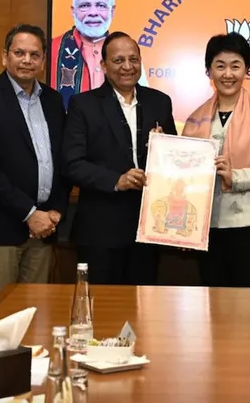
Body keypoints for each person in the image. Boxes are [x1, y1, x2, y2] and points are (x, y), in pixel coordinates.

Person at [0, 24, 70, 308]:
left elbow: (63, 160)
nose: (27, 60)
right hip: (0, 229)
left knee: (37, 317)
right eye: (19, 53)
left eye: (34, 54)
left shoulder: (53, 100)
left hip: (44, 230)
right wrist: (29, 213)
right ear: (4, 56)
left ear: (43, 60)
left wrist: (56, 211)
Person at [62, 31, 176, 285]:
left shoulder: (160, 102)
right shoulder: (83, 105)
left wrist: (165, 148)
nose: (127, 66)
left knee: (144, 309)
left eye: (133, 59)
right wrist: (117, 180)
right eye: (118, 60)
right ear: (103, 65)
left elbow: (174, 160)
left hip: (149, 228)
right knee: (102, 310)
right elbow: (72, 164)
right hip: (100, 229)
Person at [182, 33, 250, 287]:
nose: (228, 74)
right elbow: (183, 179)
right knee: (212, 307)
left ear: (247, 70)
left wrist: (235, 176)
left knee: (249, 309)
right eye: (220, 66)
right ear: (209, 71)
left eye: (235, 66)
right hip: (206, 229)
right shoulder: (195, 119)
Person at [52, 0, 147, 107]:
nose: (93, 13)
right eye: (84, 6)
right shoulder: (53, 49)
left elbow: (142, 103)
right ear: (73, 11)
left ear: (112, 11)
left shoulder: (127, 52)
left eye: (101, 6)